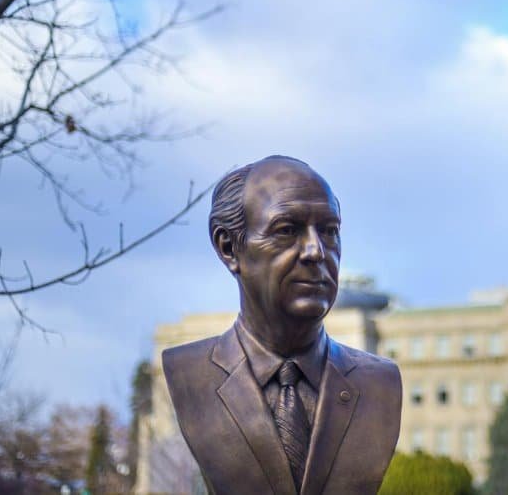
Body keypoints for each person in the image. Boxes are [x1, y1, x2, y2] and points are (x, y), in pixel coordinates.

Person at [162, 156, 401, 495]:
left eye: (329, 231)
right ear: (229, 247)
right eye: (287, 230)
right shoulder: (189, 373)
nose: (316, 251)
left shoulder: (380, 383)